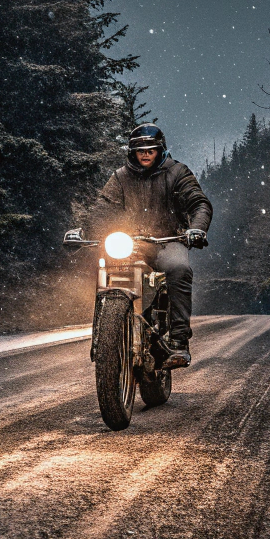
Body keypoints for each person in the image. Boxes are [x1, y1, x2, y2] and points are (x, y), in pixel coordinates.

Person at [88, 123, 212, 369]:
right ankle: (101, 338)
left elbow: (199, 203)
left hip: (169, 240)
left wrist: (196, 228)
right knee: (106, 267)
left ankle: (178, 339)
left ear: (160, 150)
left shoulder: (177, 172)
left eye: (151, 149)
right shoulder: (120, 177)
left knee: (179, 268)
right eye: (140, 149)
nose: (145, 154)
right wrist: (85, 230)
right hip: (131, 243)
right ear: (132, 152)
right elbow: (101, 209)